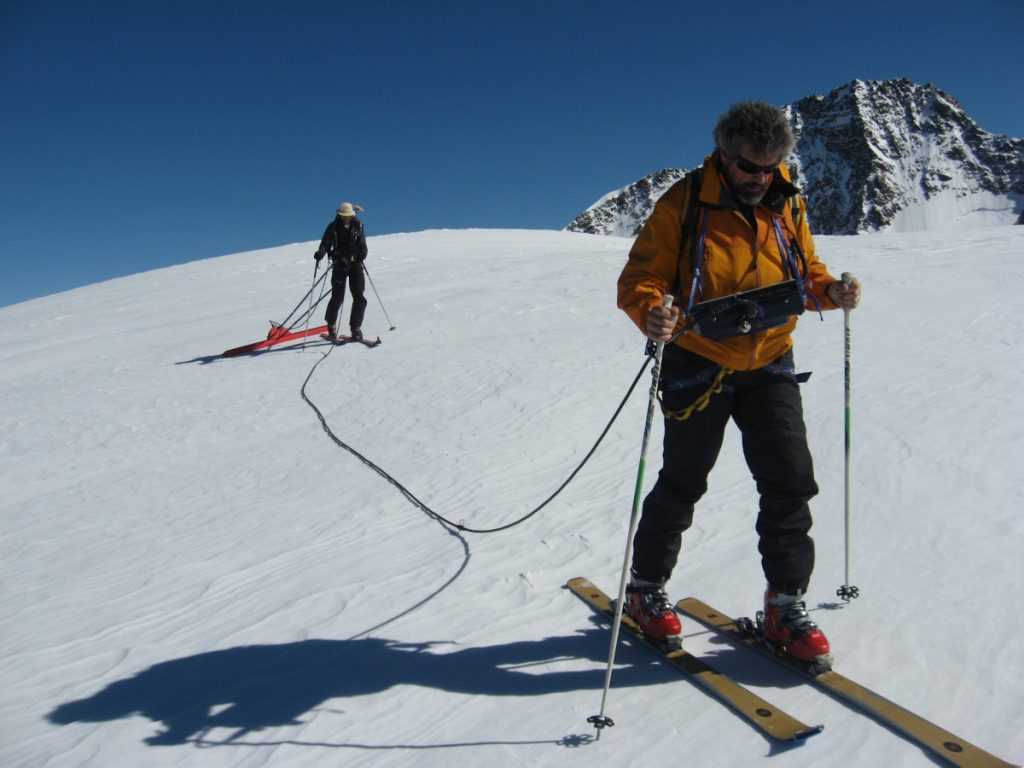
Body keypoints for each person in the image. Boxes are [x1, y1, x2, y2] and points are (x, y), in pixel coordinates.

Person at [616, 100, 861, 670]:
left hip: (771, 357)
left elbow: (806, 274)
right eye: (752, 166)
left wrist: (832, 293)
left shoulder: (786, 201)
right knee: (683, 482)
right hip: (697, 361)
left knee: (790, 482)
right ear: (725, 156)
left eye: (771, 166)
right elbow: (641, 278)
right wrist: (654, 310)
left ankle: (785, 605)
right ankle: (645, 588)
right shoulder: (683, 203)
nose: (761, 177)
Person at [314, 202, 368, 340]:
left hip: (355, 266)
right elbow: (325, 243)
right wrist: (321, 253)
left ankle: (355, 328)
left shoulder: (358, 226)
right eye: (344, 216)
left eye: (348, 216)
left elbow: (363, 248)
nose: (346, 218)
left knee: (359, 298)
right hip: (339, 266)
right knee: (337, 297)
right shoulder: (333, 227)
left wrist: (355, 257)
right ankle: (331, 323)